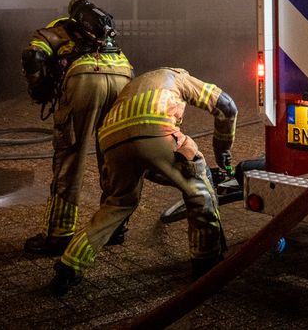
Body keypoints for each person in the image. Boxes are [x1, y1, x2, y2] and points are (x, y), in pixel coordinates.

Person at [49, 67, 238, 295]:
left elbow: (145, 157)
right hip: (155, 131)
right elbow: (227, 106)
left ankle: (69, 266)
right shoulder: (179, 78)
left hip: (111, 140)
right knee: (199, 192)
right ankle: (206, 267)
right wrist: (222, 150)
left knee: (117, 204)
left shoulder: (139, 84)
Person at [20, 0, 134, 255]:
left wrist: (38, 89)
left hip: (84, 78)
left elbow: (33, 56)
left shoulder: (57, 28)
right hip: (123, 75)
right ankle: (113, 227)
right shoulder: (106, 35)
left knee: (70, 157)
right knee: (115, 155)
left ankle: (58, 235)